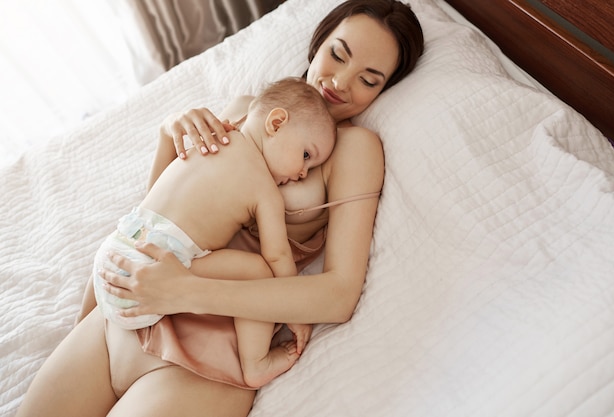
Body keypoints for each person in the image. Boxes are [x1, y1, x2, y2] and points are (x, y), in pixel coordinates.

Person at [16, 1, 424, 416]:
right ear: (318, 44)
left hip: (210, 354)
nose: (340, 81)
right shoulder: (246, 110)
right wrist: (166, 138)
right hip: (131, 308)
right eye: (338, 54)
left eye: (369, 80)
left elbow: (339, 294)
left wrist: (186, 290)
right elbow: (162, 212)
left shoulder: (354, 148)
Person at [91, 77, 335, 387]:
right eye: (306, 156)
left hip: (114, 255)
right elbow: (277, 257)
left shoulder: (212, 138)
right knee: (258, 271)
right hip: (147, 274)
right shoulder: (265, 190)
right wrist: (294, 313)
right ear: (275, 123)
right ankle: (256, 362)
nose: (302, 173)